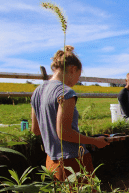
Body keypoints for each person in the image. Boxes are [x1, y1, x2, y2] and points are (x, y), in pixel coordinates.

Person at [31, 45, 109, 181]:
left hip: (51, 162)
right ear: (73, 69)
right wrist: (94, 141)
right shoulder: (66, 92)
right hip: (72, 163)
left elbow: (36, 130)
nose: (76, 82)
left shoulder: (37, 92)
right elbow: (64, 132)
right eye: (78, 77)